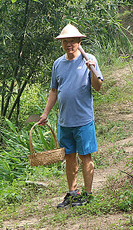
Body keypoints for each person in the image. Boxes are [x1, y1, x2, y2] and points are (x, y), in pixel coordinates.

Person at [37, 24, 103, 208]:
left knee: (85, 157)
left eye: (73, 41)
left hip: (84, 120)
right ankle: (72, 193)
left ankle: (88, 195)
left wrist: (92, 70)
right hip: (64, 121)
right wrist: (45, 113)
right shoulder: (58, 64)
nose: (69, 44)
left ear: (79, 42)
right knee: (69, 157)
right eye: (66, 41)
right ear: (62, 43)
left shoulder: (89, 60)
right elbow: (54, 90)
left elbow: (98, 87)